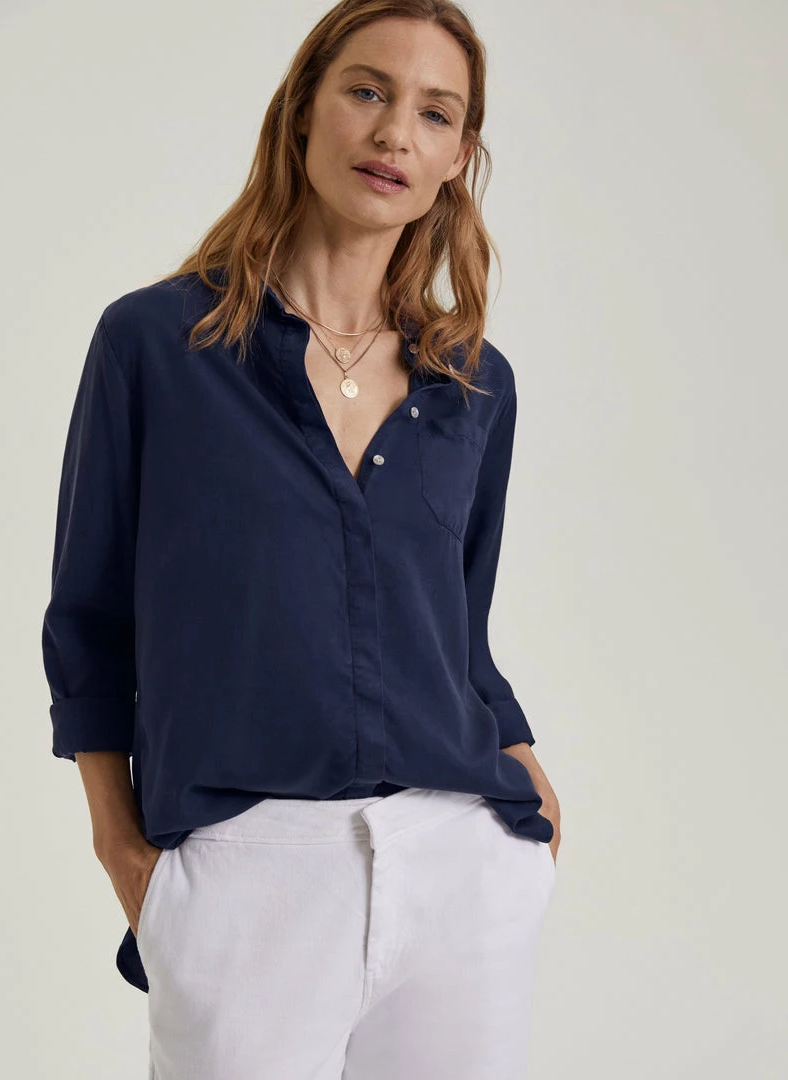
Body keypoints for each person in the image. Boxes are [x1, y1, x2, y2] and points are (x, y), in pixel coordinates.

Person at [41, 1, 562, 1076]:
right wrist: (125, 855)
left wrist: (523, 786)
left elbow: (460, 628)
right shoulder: (157, 345)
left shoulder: (473, 386)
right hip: (245, 872)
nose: (394, 133)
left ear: (457, 158)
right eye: (367, 91)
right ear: (302, 112)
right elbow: (89, 623)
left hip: (460, 865)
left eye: (435, 113)